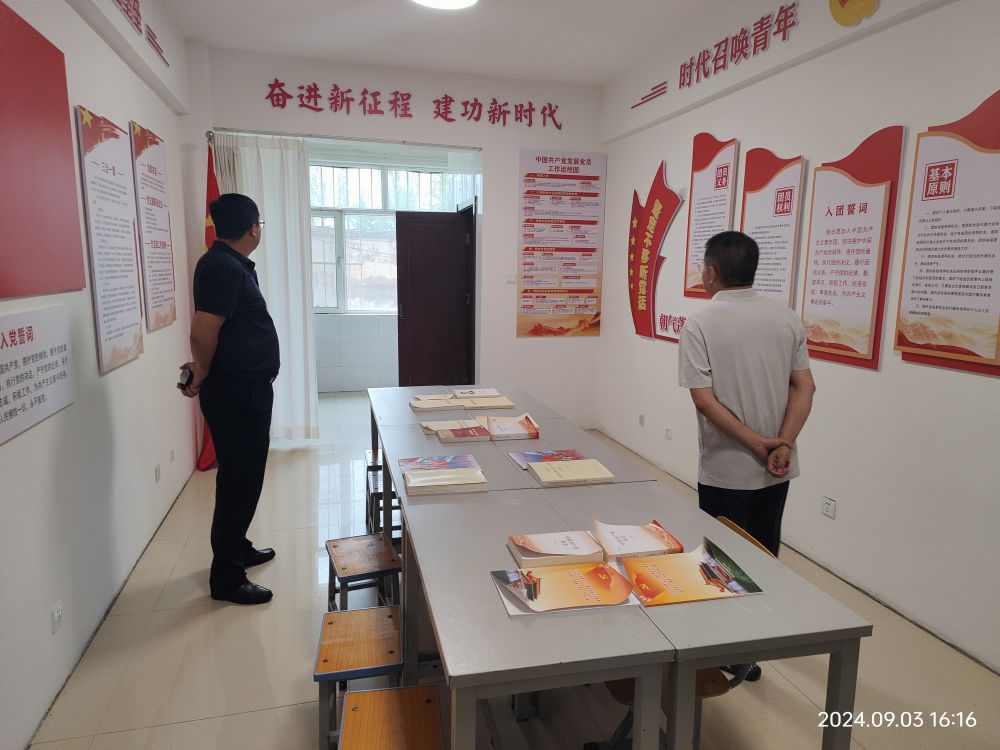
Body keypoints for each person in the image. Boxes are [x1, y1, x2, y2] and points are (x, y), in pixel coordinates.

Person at [679, 231, 815, 678]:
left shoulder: (700, 323)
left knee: (720, 562)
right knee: (763, 555)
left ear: (711, 272)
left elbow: (704, 400)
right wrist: (782, 443)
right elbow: (805, 386)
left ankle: (723, 651)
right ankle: (749, 650)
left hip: (726, 469)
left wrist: (756, 443)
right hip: (777, 468)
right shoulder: (787, 318)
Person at [180, 193, 280, 605]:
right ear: (253, 228)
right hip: (237, 393)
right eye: (260, 224)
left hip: (242, 390)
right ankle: (227, 578)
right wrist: (201, 371)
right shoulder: (223, 267)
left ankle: (237, 547)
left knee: (242, 478)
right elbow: (202, 330)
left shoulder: (227, 263)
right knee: (240, 482)